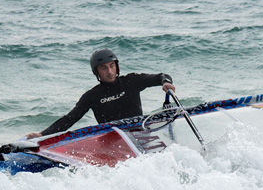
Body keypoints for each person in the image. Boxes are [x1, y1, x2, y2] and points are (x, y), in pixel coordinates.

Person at [26, 49, 175, 138]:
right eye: (104, 68)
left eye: (112, 66)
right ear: (96, 72)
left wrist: (166, 83)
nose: (109, 72)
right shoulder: (92, 96)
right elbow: (69, 119)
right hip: (112, 138)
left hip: (139, 132)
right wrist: (43, 134)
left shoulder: (131, 81)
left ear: (117, 66)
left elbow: (161, 76)